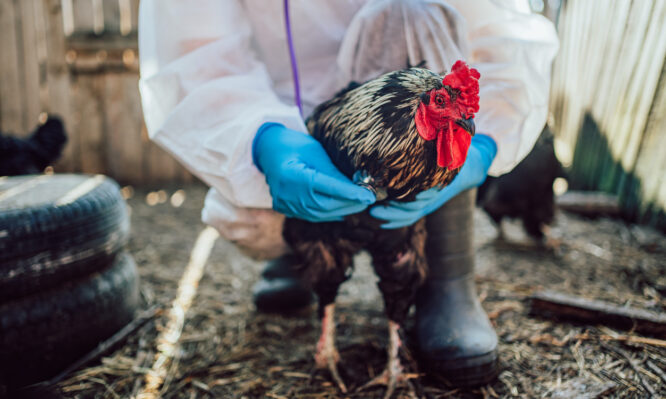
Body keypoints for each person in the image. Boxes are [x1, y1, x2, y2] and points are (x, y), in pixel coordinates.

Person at [138, 0, 558, 386]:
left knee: (418, 10)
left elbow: (498, 30)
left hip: (414, 121)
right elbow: (195, 51)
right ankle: (296, 258)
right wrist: (261, 136)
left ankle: (448, 277)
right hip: (291, 108)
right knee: (267, 222)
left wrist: (484, 141)